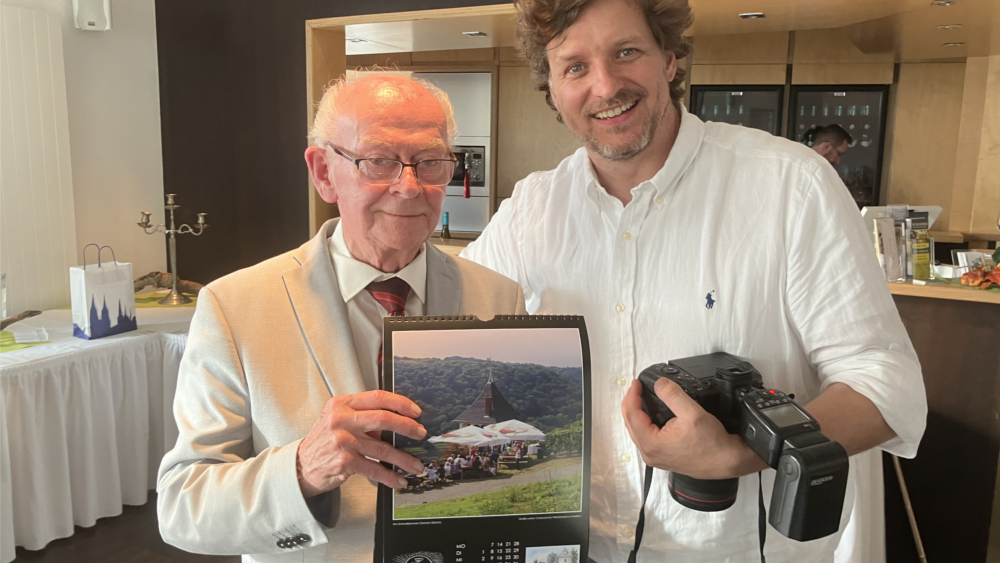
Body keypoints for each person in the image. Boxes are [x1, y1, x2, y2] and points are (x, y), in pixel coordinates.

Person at [461, 0, 926, 562]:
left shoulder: (790, 186)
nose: (605, 85)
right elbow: (453, 335)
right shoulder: (530, 209)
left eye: (626, 52)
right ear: (553, 89)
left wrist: (743, 451)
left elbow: (886, 386)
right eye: (575, 66)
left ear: (671, 60)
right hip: (582, 548)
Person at [156, 74, 526, 562]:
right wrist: (302, 470)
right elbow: (183, 506)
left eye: (430, 162)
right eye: (379, 161)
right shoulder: (236, 307)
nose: (409, 186)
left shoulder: (498, 296)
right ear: (324, 172)